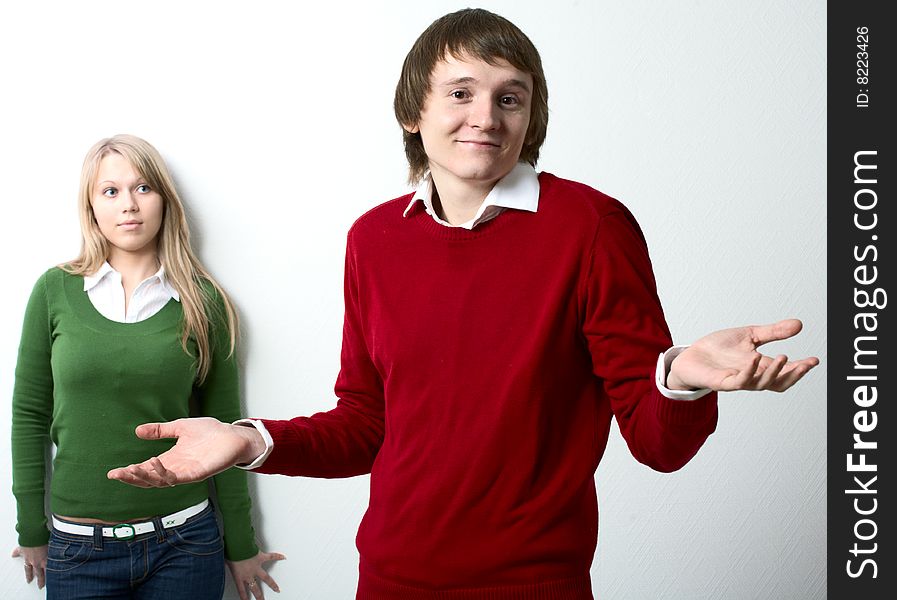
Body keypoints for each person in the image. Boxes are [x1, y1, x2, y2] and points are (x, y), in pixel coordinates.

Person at [108, 9, 819, 599]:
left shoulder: (591, 229)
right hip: (389, 579)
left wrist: (681, 378)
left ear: (530, 116)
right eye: (460, 92)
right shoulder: (374, 238)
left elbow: (656, 444)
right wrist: (250, 440)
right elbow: (365, 423)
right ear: (413, 110)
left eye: (509, 97)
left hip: (533, 586)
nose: (485, 115)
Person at [11, 135, 283, 600]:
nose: (129, 205)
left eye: (143, 188)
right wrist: (30, 529)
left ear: (163, 199)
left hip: (184, 544)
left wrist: (241, 543)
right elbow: (28, 415)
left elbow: (226, 434)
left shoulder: (203, 301)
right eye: (110, 191)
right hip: (78, 551)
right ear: (91, 206)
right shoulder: (53, 291)